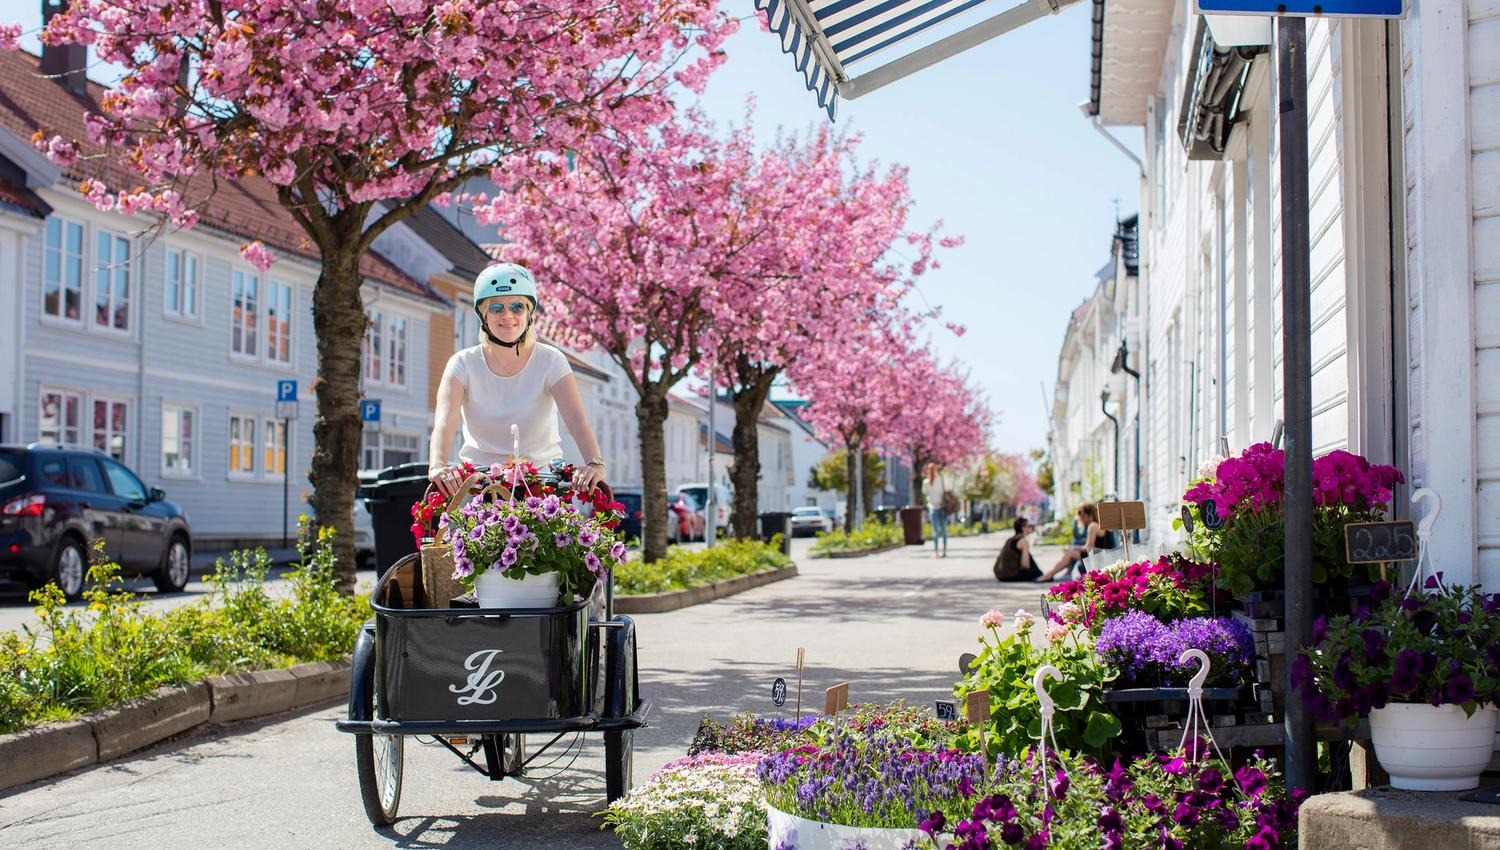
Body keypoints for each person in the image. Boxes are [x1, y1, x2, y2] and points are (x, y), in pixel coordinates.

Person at [428, 263, 607, 499]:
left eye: (517, 306)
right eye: (496, 308)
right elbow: (444, 423)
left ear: (529, 313)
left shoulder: (551, 360)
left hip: (542, 486)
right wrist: (438, 466)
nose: (507, 315)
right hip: (481, 486)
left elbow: (576, 420)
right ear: (483, 314)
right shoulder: (462, 363)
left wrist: (595, 463)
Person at [1036, 503, 1111, 582]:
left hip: (1098, 558)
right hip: (1100, 556)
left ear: (1087, 514)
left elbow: (1089, 547)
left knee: (1071, 552)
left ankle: (1050, 575)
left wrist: (1074, 548)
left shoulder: (1092, 526)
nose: (1079, 517)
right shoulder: (1096, 525)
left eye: (1080, 514)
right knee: (1071, 552)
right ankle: (1061, 574)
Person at [994, 517, 1043, 581]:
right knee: (1037, 573)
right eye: (1030, 526)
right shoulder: (1023, 541)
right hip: (1011, 576)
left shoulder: (1010, 540)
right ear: (1023, 528)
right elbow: (1025, 565)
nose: (1032, 527)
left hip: (1000, 575)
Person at [925, 463, 955, 558]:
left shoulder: (926, 482)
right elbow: (946, 490)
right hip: (942, 507)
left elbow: (925, 493)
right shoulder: (940, 480)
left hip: (933, 508)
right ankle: (944, 551)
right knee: (944, 530)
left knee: (935, 531)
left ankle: (936, 552)